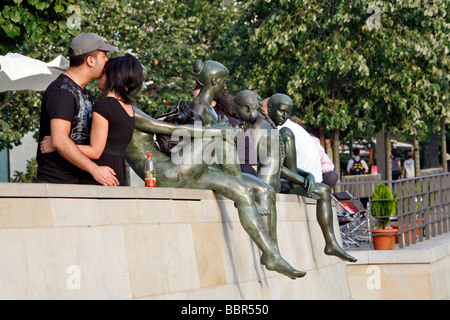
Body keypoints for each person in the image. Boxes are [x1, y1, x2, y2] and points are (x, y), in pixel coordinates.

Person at [124, 106, 306, 279]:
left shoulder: (131, 110)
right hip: (168, 173)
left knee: (243, 192)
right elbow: (166, 128)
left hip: (179, 170)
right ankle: (244, 191)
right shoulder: (126, 111)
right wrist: (218, 131)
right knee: (219, 138)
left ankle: (271, 255)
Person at [234, 90, 357, 263]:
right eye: (280, 111)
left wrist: (306, 175)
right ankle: (273, 254)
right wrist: (302, 178)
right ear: (268, 108)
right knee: (318, 191)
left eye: (287, 112)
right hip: (268, 184)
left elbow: (279, 166)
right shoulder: (264, 129)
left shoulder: (274, 129)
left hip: (277, 180)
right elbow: (276, 168)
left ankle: (331, 242)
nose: (284, 116)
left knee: (324, 191)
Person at [41, 54, 144, 186]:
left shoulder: (105, 106)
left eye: (105, 71)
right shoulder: (128, 109)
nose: (101, 75)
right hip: (117, 172)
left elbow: (95, 151)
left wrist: (58, 146)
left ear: (113, 76)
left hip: (101, 174)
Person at [36, 33, 119, 186]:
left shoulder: (83, 92)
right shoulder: (62, 91)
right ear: (90, 60)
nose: (107, 61)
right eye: (104, 56)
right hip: (57, 184)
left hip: (77, 182)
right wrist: (95, 170)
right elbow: (60, 140)